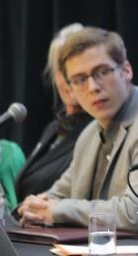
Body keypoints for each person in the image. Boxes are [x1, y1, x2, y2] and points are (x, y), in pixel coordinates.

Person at [17, 26, 138, 230]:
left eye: (102, 72)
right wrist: (36, 206)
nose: (93, 87)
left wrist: (59, 210)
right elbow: (60, 193)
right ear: (70, 88)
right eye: (80, 80)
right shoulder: (90, 134)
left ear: (126, 70)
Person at [15, 23, 92, 202]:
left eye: (76, 72)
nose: (68, 80)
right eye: (62, 70)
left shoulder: (99, 129)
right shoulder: (54, 129)